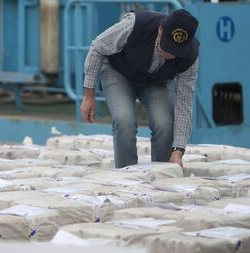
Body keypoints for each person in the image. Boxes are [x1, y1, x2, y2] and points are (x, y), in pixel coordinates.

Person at [80, 9, 199, 169]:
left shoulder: (190, 57)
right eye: (166, 46)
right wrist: (89, 95)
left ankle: (161, 175)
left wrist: (177, 151)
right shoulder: (134, 25)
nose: (170, 54)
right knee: (124, 121)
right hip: (118, 72)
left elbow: (184, 105)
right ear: (160, 29)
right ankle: (127, 178)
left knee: (164, 124)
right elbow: (97, 47)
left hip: (157, 82)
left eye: (175, 51)